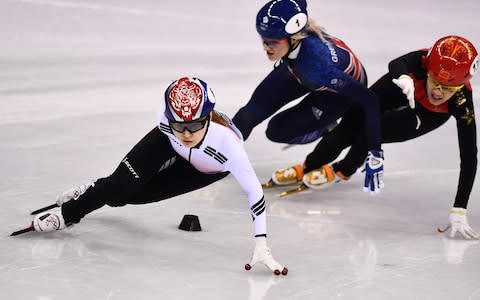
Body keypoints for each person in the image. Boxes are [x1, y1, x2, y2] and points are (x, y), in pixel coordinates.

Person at [26, 77, 288, 275]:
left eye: (194, 125)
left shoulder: (228, 146)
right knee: (120, 185)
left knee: (126, 198)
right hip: (165, 143)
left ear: (208, 117)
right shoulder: (166, 123)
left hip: (202, 170)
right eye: (179, 125)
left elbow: (254, 192)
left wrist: (261, 241)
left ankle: (95, 188)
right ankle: (68, 214)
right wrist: (172, 132)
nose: (186, 133)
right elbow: (176, 132)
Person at [283, 35, 479, 239]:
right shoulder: (423, 60)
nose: (439, 92)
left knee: (377, 130)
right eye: (435, 82)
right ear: (427, 70)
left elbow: (469, 156)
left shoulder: (462, 102)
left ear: (460, 87)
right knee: (354, 117)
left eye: (448, 88)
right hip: (405, 86)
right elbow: (396, 64)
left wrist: (460, 209)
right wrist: (403, 77)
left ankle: (344, 169)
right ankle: (309, 164)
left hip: (429, 114)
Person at [231, 0, 384, 193]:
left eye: (273, 42)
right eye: (263, 39)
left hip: (336, 95)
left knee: (276, 130)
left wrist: (375, 152)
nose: (265, 47)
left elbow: (370, 100)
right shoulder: (295, 42)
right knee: (249, 114)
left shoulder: (318, 67)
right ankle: (221, 156)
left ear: (293, 38)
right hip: (299, 69)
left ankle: (323, 126)